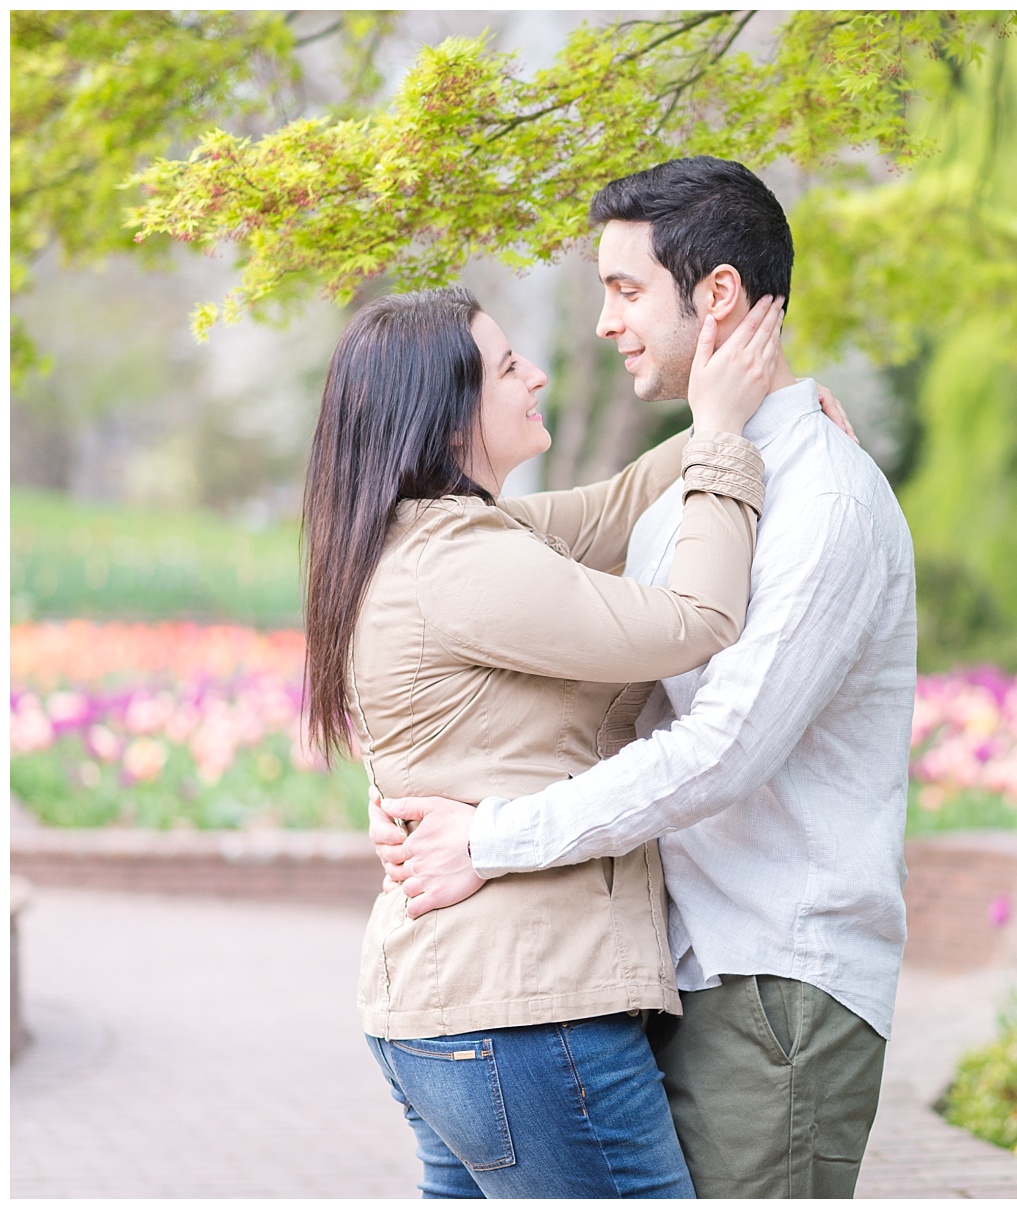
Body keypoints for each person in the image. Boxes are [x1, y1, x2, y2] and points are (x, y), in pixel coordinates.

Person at [375, 156, 918, 1198]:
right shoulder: (691, 495)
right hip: (670, 965)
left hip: (777, 979)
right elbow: (511, 652)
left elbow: (726, 749)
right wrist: (406, 795)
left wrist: (487, 840)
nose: (603, 325)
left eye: (625, 291)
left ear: (714, 296)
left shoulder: (828, 504)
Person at [304, 282, 794, 1197]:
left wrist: (761, 413)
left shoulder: (446, 536)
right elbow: (695, 617)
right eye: (506, 365)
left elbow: (615, 509)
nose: (536, 373)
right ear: (450, 418)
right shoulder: (462, 563)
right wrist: (726, 443)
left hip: (456, 1007)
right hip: (526, 1010)